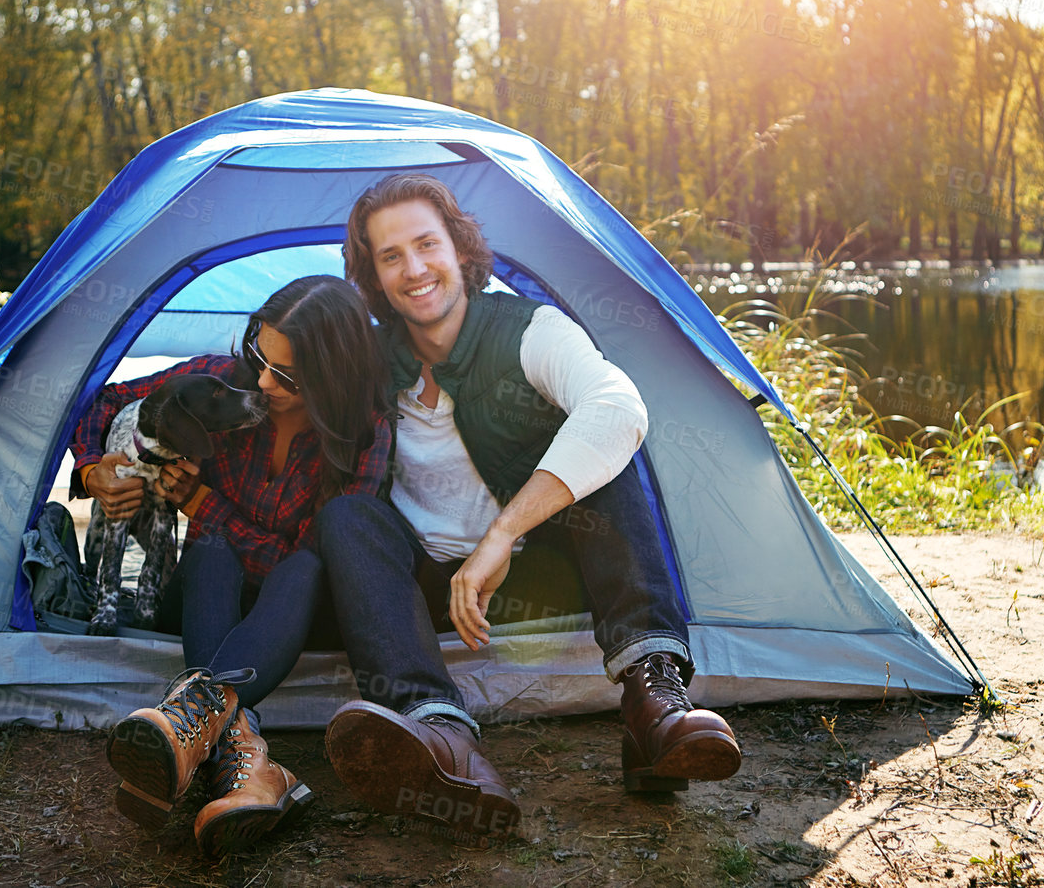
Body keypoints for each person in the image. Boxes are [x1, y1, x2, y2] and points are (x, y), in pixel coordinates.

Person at [314, 173, 740, 840]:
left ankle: (652, 696)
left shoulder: (527, 328)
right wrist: (125, 446)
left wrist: (502, 531)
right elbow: (262, 377)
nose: (414, 269)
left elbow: (618, 407)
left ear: (459, 247)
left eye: (427, 244)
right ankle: (443, 737)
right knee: (346, 517)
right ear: (371, 273)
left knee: (604, 457)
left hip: (534, 570)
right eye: (389, 256)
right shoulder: (367, 355)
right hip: (421, 587)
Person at [69, 275, 393, 858]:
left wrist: (201, 504)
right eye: (258, 356)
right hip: (206, 598)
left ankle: (199, 728)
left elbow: (294, 560)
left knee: (302, 568)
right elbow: (104, 398)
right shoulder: (220, 381)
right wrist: (94, 469)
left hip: (288, 616)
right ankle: (238, 754)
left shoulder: (361, 438)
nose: (263, 382)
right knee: (212, 553)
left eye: (287, 376)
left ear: (334, 373)